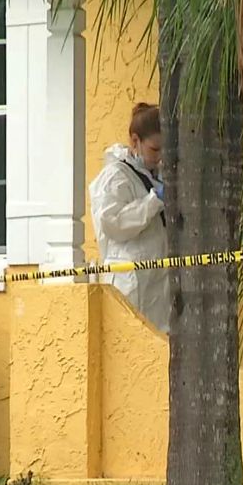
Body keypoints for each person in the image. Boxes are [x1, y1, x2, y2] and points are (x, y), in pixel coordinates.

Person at [89, 103, 170, 333]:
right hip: (131, 285)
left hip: (157, 288)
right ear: (135, 141)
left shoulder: (152, 176)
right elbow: (113, 223)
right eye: (155, 150)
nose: (160, 157)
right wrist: (154, 201)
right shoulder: (115, 176)